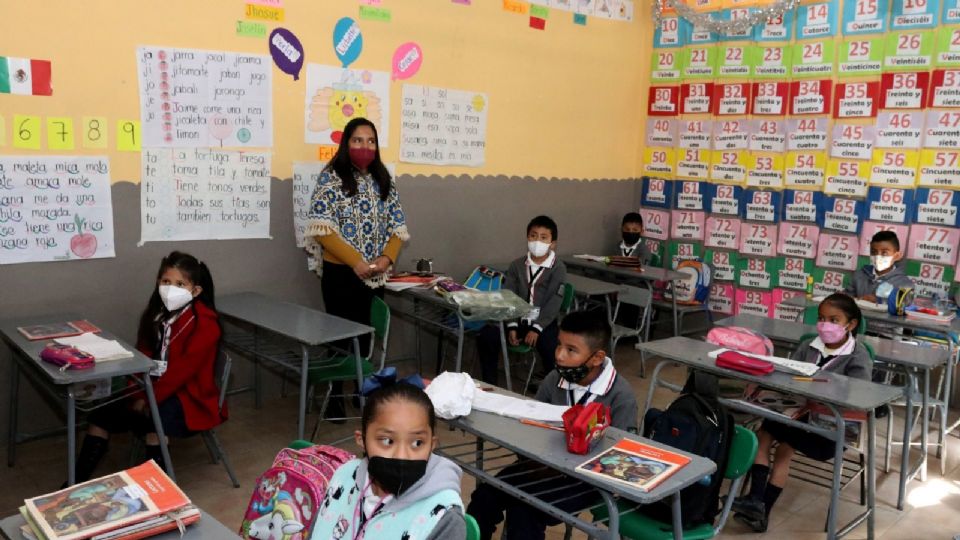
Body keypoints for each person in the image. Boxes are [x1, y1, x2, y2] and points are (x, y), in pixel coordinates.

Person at [467, 311, 638, 540]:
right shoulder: (553, 379)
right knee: (484, 497)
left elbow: (618, 462)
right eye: (559, 345)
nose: (559, 355)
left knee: (524, 510)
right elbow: (534, 426)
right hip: (541, 466)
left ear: (597, 358)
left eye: (571, 350)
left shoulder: (621, 397)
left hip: (585, 482)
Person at [72, 252, 223, 483]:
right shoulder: (156, 314)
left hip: (188, 398)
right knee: (100, 416)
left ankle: (155, 490)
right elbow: (139, 356)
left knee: (155, 420)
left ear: (196, 291)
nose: (171, 288)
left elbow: (179, 375)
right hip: (149, 388)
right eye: (166, 282)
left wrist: (147, 398)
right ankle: (75, 482)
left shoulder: (205, 324)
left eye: (180, 284)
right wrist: (137, 390)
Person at [732, 293, 872, 532]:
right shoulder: (808, 346)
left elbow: (859, 397)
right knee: (765, 433)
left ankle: (760, 505)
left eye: (834, 319)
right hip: (797, 414)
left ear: (851, 324)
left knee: (784, 441)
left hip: (828, 428)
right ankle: (756, 502)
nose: (825, 325)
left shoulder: (858, 356)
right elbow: (788, 375)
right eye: (821, 318)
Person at [305, 117, 408, 421]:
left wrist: (387, 259)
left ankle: (359, 390)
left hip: (375, 275)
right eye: (358, 140)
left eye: (371, 141)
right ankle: (335, 394)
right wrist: (356, 263)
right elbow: (322, 229)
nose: (365, 147)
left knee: (366, 337)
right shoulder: (331, 178)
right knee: (340, 337)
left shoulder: (383, 179)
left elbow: (397, 227)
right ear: (346, 143)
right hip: (341, 274)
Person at [311, 378, 466, 540]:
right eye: (387, 441)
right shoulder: (344, 477)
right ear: (362, 440)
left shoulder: (445, 518)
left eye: (417, 443)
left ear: (432, 445)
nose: (401, 455)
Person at [476, 215, 566, 385]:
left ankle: (554, 388)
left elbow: (554, 302)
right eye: (533, 236)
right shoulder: (517, 265)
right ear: (527, 238)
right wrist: (512, 325)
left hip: (543, 322)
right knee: (487, 335)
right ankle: (490, 384)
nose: (537, 241)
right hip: (517, 318)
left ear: (553, 243)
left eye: (543, 237)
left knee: (552, 349)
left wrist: (537, 328)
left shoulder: (558, 268)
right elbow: (508, 296)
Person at [844, 230, 914, 302]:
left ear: (897, 256)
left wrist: (879, 300)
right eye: (874, 252)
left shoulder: (905, 284)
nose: (878, 256)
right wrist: (842, 298)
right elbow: (848, 298)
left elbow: (905, 306)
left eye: (884, 253)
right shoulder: (859, 275)